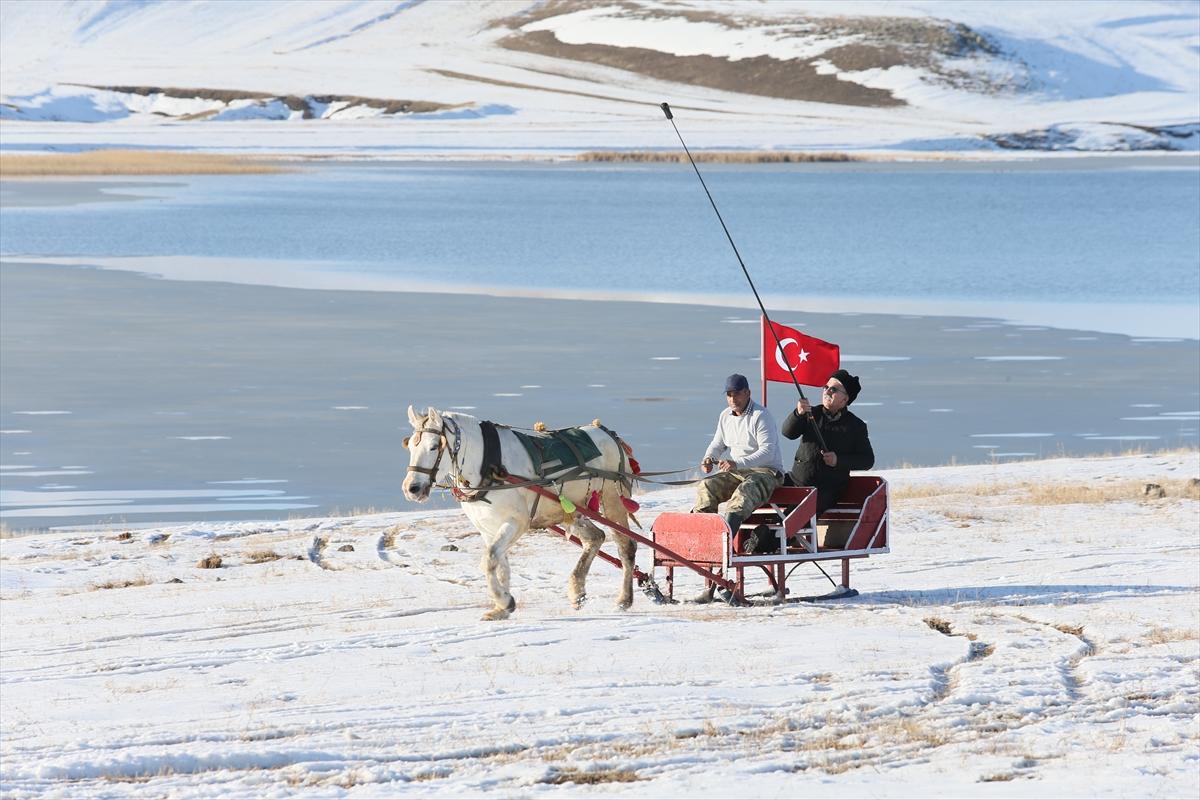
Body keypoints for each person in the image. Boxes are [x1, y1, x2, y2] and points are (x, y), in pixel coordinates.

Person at [693, 373, 784, 541]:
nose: (733, 399)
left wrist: (737, 463)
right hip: (738, 472)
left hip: (767, 473)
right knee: (706, 487)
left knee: (742, 495)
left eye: (737, 394)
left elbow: (767, 452)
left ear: (748, 393)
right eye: (729, 395)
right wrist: (709, 457)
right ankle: (705, 540)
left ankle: (724, 547)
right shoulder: (725, 415)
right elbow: (717, 443)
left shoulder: (761, 416)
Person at [781, 368, 875, 518]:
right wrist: (798, 414)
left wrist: (838, 460)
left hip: (826, 490)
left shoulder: (856, 426)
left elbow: (867, 460)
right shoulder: (811, 413)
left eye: (834, 389)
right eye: (826, 387)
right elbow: (788, 433)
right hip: (796, 481)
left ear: (845, 399)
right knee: (765, 488)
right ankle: (759, 535)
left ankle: (771, 538)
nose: (827, 391)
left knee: (793, 517)